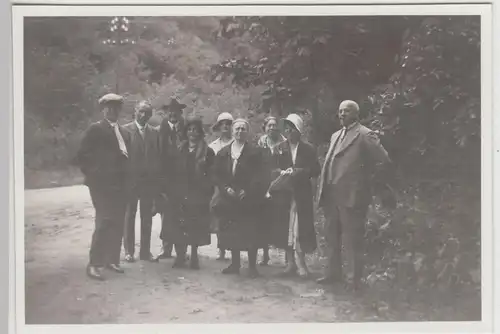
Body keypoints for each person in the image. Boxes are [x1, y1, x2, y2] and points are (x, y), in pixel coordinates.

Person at [316, 100, 392, 290]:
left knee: (352, 239)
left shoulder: (365, 135)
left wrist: (366, 183)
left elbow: (383, 160)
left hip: (352, 196)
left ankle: (353, 280)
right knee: (331, 236)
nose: (342, 114)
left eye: (346, 111)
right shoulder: (336, 135)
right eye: (340, 111)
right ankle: (333, 274)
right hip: (331, 194)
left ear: (356, 114)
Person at [76, 93, 131, 281]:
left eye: (116, 107)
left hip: (120, 186)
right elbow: (82, 155)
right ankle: (94, 264)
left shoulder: (125, 132)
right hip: (101, 186)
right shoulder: (96, 129)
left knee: (117, 221)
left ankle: (111, 260)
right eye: (109, 107)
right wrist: (94, 175)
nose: (113, 110)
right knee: (104, 221)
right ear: (103, 109)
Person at [212, 119, 269, 278]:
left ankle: (252, 266)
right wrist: (225, 188)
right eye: (237, 129)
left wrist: (249, 190)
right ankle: (235, 263)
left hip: (248, 199)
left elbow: (261, 174)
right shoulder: (223, 152)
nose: (239, 132)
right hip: (229, 198)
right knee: (232, 231)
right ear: (232, 131)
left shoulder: (255, 152)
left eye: (243, 129)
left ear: (247, 132)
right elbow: (216, 174)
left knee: (250, 231)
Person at [267, 114, 320, 278]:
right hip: (284, 194)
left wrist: (298, 172)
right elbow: (271, 170)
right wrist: (282, 172)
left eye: (292, 128)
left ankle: (301, 262)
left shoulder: (308, 149)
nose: (289, 131)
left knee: (300, 228)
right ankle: (290, 263)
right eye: (287, 128)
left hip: (301, 194)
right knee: (286, 227)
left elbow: (315, 170)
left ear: (299, 130)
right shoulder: (279, 148)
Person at [164, 116, 215, 269]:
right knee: (178, 225)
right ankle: (180, 256)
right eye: (190, 130)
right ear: (186, 132)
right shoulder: (179, 149)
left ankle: (194, 256)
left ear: (200, 133)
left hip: (198, 194)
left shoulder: (208, 151)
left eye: (196, 130)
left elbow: (212, 174)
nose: (192, 133)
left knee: (195, 225)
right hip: (179, 193)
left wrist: (206, 190)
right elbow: (171, 172)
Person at [122, 101, 161, 263]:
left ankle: (145, 251)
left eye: (147, 112)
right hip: (131, 182)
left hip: (148, 183)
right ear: (135, 111)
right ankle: (129, 251)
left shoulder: (154, 133)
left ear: (151, 115)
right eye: (141, 112)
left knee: (147, 216)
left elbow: (157, 158)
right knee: (129, 215)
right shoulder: (124, 130)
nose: (143, 115)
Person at [155, 97, 188, 261]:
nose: (173, 114)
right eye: (170, 111)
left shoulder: (187, 129)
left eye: (176, 111)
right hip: (166, 180)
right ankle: (166, 248)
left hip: (182, 179)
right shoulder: (159, 131)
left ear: (180, 113)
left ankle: (182, 250)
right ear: (166, 113)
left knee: (182, 214)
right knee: (166, 214)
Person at [256, 116, 287, 266]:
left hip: (281, 182)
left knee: (281, 218)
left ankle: (287, 257)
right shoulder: (261, 142)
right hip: (265, 182)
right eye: (269, 126)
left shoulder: (284, 142)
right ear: (265, 127)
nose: (272, 128)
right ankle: (265, 255)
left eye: (274, 125)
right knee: (264, 219)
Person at [208, 112, 234, 261]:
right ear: (218, 127)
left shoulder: (236, 143)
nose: (225, 126)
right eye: (223, 123)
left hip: (234, 184)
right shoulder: (213, 146)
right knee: (219, 215)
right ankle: (221, 248)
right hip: (219, 185)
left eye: (228, 123)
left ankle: (233, 247)